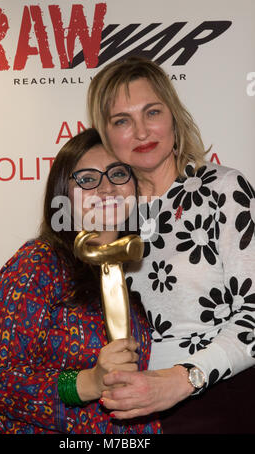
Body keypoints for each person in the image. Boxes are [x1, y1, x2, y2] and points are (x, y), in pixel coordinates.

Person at [87, 57, 255, 433]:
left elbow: (253, 314)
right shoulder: (108, 216)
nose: (142, 131)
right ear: (106, 135)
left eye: (152, 112)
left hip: (218, 402)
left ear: (174, 117)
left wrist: (183, 380)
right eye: (122, 121)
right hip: (130, 413)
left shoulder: (222, 189)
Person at [0, 128, 161, 434]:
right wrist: (89, 381)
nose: (106, 188)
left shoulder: (141, 272)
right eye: (87, 179)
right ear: (64, 194)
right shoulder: (38, 263)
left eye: (118, 174)